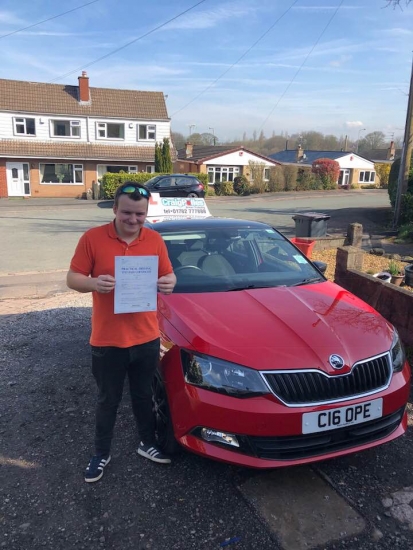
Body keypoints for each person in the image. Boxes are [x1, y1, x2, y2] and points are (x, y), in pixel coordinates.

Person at [67, 182, 176, 483]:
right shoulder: (92, 238)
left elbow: (168, 274)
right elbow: (72, 278)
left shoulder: (154, 240)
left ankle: (148, 443)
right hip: (107, 340)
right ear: (114, 209)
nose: (133, 219)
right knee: (108, 399)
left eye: (139, 214)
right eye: (127, 212)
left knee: (143, 396)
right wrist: (94, 283)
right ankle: (101, 453)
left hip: (146, 338)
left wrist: (169, 282)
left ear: (146, 212)